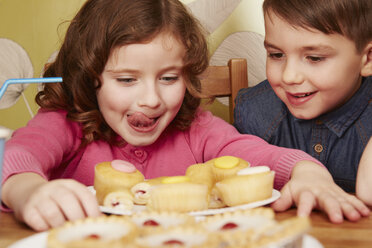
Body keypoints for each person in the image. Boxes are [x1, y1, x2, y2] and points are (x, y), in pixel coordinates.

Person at [1, 0, 368, 232]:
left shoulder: (197, 129)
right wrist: (29, 190)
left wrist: (308, 173)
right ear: (91, 77)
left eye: (169, 78)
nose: (151, 99)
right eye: (127, 79)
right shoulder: (66, 122)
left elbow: (257, 154)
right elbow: (20, 155)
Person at [234, 0, 372, 214]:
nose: (289, 76)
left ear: (368, 58)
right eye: (276, 55)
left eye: (314, 58)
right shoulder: (254, 110)